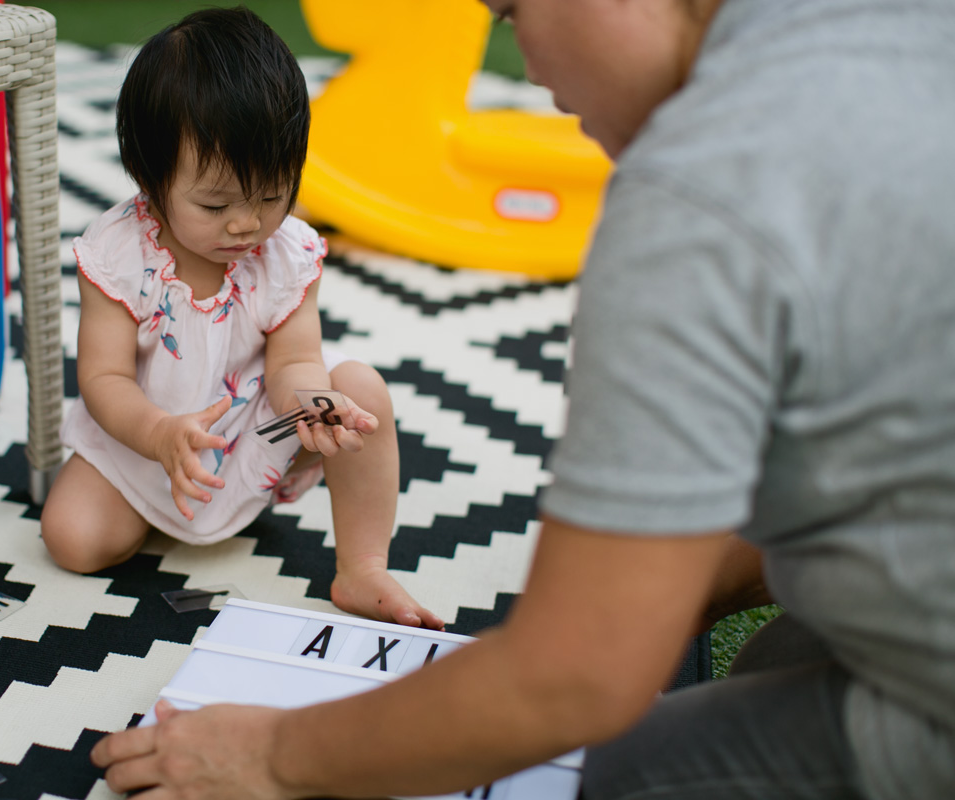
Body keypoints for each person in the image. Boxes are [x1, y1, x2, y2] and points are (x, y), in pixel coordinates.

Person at [90, 0, 955, 798]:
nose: (526, 63)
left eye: (511, 10)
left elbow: (574, 676)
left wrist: (272, 756)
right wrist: (659, 595)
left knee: (622, 772)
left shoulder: (693, 194)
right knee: (774, 662)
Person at [40, 7, 443, 631]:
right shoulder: (119, 253)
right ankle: (164, 503)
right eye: (215, 202)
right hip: (145, 434)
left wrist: (312, 405)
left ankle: (362, 565)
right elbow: (103, 380)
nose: (246, 224)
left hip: (254, 427)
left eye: (272, 194)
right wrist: (159, 437)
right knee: (73, 541)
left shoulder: (286, 254)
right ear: (149, 179)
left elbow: (296, 362)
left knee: (359, 389)